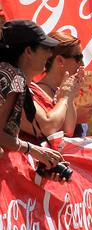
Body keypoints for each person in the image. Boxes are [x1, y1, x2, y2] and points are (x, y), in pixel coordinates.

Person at [0, 20, 65, 173]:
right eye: (45, 48)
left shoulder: (11, 75)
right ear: (28, 51)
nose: (50, 54)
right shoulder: (12, 77)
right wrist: (34, 150)